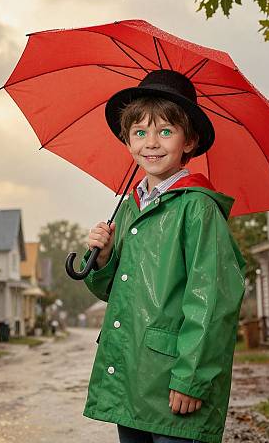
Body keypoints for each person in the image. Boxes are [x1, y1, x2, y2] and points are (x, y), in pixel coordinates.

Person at [82, 70, 246, 443]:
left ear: (189, 141)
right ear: (127, 141)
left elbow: (213, 301)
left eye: (165, 132)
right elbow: (115, 292)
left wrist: (192, 378)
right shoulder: (129, 209)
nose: (151, 143)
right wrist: (104, 258)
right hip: (131, 377)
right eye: (139, 133)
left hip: (175, 383)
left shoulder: (198, 209)